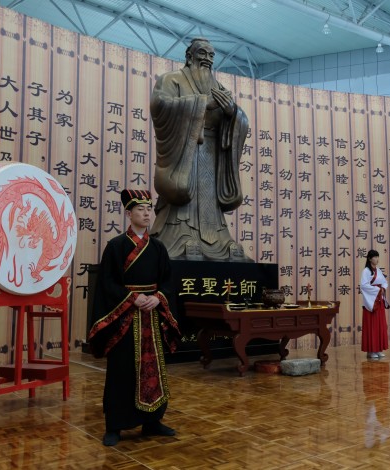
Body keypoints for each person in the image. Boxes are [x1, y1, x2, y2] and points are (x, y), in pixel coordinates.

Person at [88, 189, 181, 447]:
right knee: (122, 370)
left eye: (149, 209)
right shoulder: (116, 246)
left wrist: (158, 297)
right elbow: (107, 283)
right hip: (125, 318)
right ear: (129, 214)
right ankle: (115, 426)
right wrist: (132, 298)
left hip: (151, 317)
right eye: (140, 209)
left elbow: (168, 281)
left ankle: (153, 421)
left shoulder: (158, 247)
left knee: (154, 370)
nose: (147, 213)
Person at [149, 37, 250, 261]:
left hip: (213, 154)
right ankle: (181, 237)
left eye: (211, 55)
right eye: (202, 53)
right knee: (184, 199)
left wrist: (232, 112)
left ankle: (220, 241)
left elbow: (238, 120)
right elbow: (160, 105)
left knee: (210, 203)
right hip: (186, 152)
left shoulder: (218, 87)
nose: (207, 59)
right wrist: (202, 104)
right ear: (189, 56)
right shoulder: (171, 79)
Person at [360, 249, 389, 359]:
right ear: (369, 259)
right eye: (375, 257)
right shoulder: (366, 271)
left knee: (379, 325)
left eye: (377, 257)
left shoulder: (378, 270)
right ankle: (371, 350)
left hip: (379, 300)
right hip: (371, 302)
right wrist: (377, 290)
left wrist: (383, 288)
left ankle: (378, 349)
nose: (377, 259)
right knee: (371, 326)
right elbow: (364, 286)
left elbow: (384, 282)